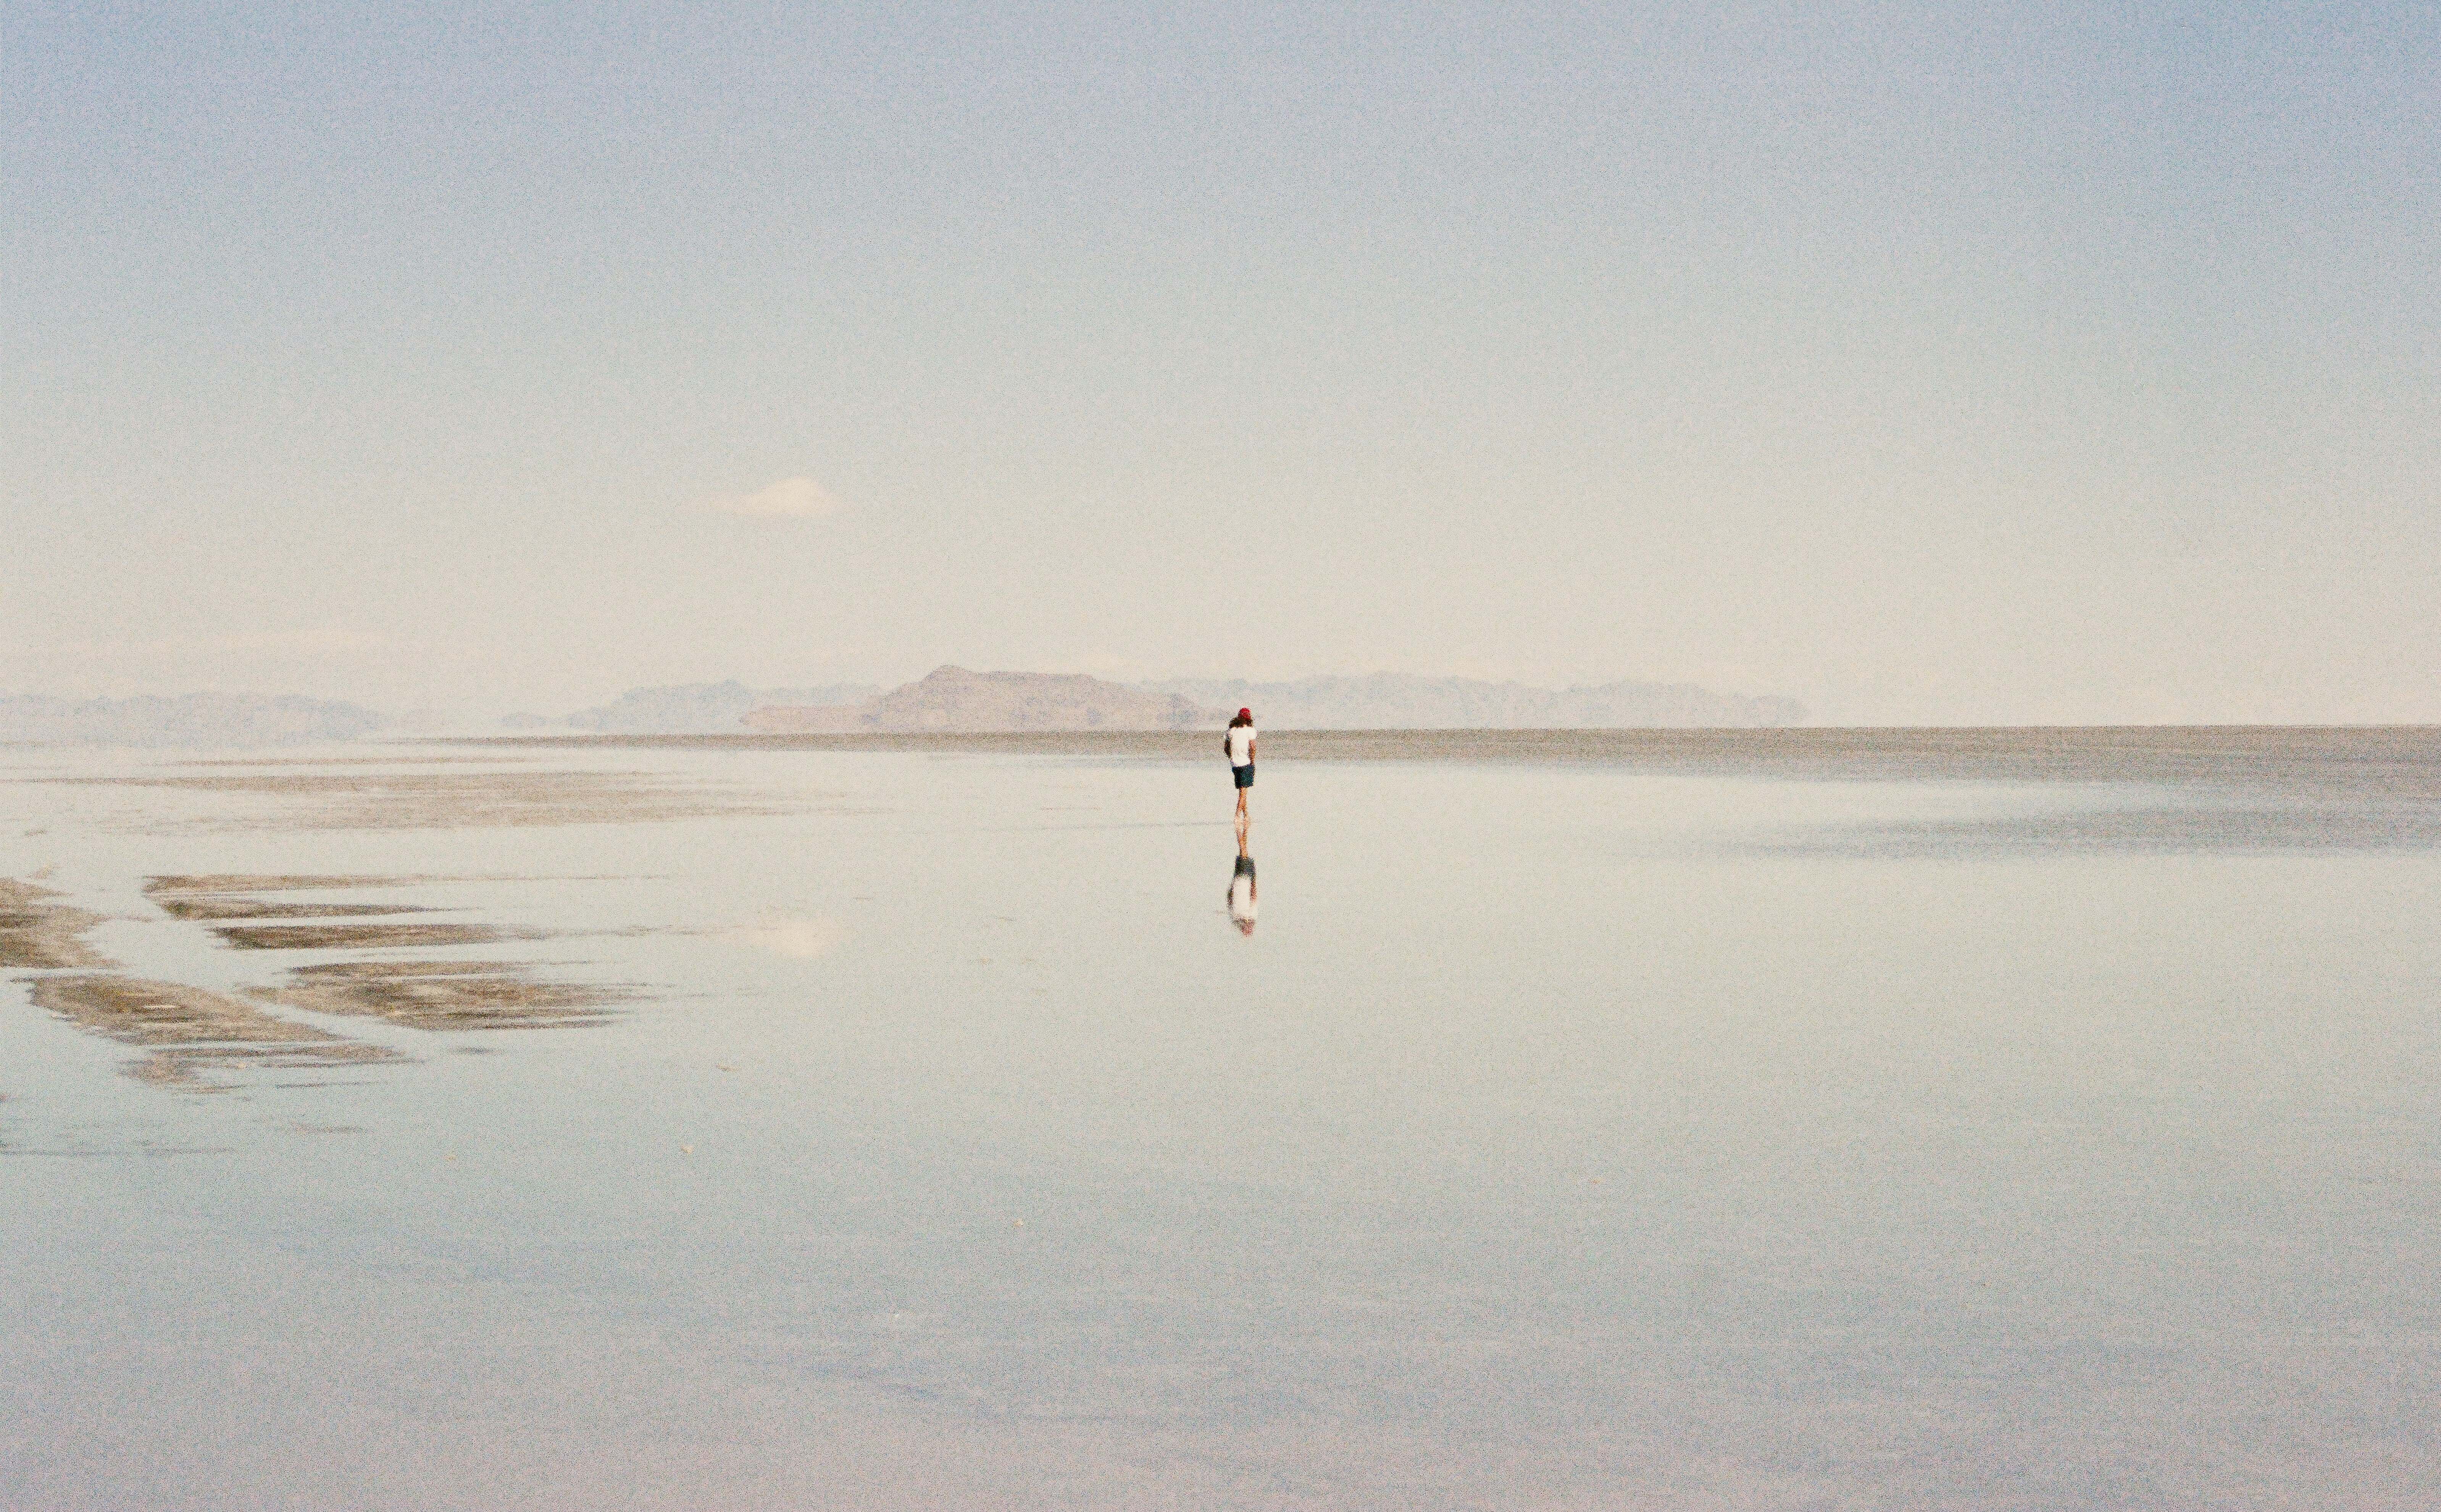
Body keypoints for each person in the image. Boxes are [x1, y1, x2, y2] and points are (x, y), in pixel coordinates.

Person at [1224, 708, 1256, 824]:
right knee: (1243, 791)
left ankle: (1246, 816)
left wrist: (1232, 757)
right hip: (1245, 763)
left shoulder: (1231, 731)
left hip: (1235, 763)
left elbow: (1226, 748)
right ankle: (1237, 816)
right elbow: (1252, 748)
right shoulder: (1250, 730)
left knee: (1242, 790)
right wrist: (1252, 761)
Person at [1228, 830, 1258, 936]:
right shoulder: (1247, 916)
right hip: (1244, 881)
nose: (1248, 928)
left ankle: (1239, 830)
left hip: (1243, 881)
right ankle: (1244, 829)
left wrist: (1232, 885)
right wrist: (1253, 883)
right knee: (1244, 853)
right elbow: (1253, 897)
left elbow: (1230, 899)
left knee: (1244, 852)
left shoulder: (1238, 916)